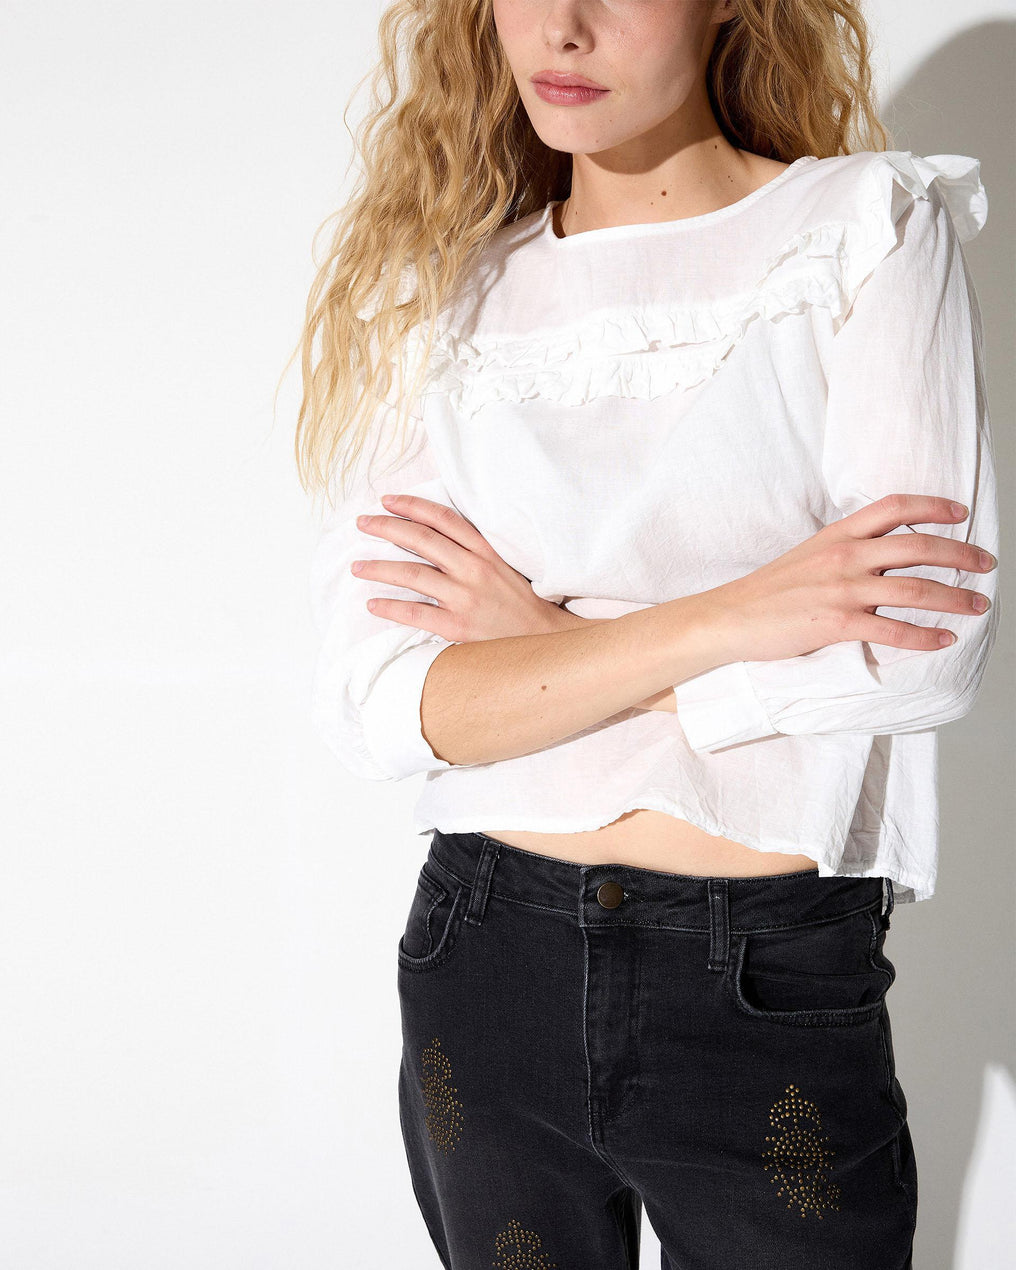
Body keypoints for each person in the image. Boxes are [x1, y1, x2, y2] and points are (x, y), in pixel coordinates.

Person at [294, 2, 999, 1265]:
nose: (561, 30)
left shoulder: (862, 228)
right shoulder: (442, 291)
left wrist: (539, 641)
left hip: (764, 973)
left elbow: (917, 653)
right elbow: (384, 705)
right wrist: (730, 615)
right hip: (485, 957)